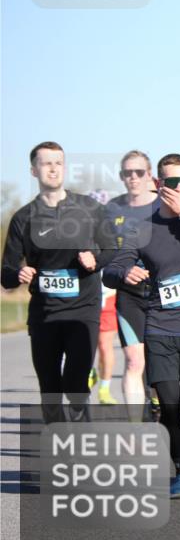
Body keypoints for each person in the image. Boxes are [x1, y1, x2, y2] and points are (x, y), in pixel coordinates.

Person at [103, 153, 180, 498]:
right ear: (158, 185)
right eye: (171, 182)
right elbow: (110, 271)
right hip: (160, 329)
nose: (177, 188)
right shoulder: (143, 228)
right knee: (169, 407)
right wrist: (124, 272)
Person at [1, 142, 116, 423]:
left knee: (76, 385)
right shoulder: (23, 218)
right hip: (44, 315)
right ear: (33, 170)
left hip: (83, 312)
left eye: (58, 162)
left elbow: (112, 248)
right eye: (46, 163)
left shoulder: (89, 208)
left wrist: (95, 260)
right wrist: (18, 274)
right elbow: (6, 271)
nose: (53, 168)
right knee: (50, 390)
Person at [105, 150, 160, 419]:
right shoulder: (111, 210)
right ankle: (137, 431)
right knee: (134, 360)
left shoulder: (164, 206)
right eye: (128, 172)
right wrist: (123, 270)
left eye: (139, 172)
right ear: (121, 176)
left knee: (161, 363)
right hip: (129, 296)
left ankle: (161, 407)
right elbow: (103, 253)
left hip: (163, 295)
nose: (134, 177)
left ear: (150, 175)